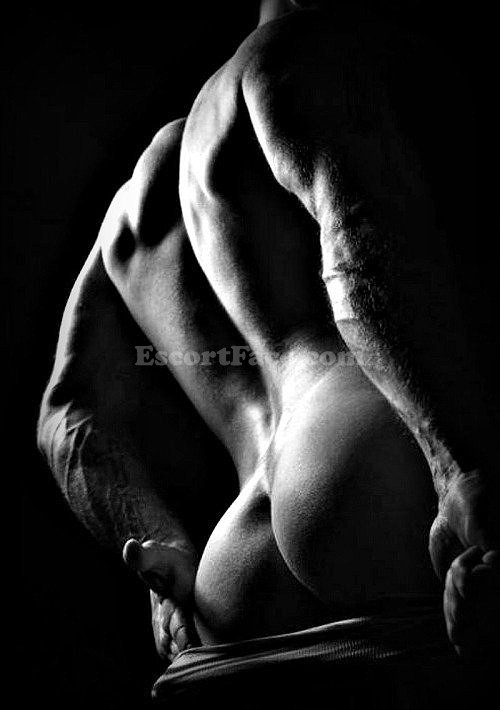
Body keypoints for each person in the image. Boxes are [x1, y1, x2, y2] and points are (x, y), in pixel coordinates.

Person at [38, 0, 499, 669]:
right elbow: (355, 233)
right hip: (377, 487)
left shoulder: (136, 199)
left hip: (231, 575)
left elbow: (65, 412)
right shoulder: (297, 54)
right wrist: (459, 470)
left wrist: (156, 547)